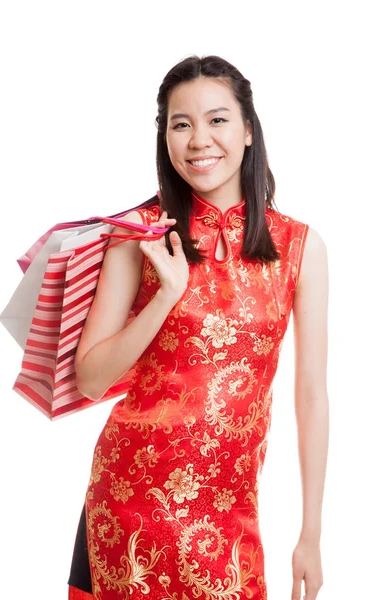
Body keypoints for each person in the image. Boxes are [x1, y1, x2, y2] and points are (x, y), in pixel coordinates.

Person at [67, 54, 329, 600]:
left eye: (217, 119)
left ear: (249, 129)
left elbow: (310, 396)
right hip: (129, 510)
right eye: (179, 124)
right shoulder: (138, 235)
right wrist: (166, 295)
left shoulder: (300, 248)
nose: (198, 140)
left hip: (230, 518)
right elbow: (90, 379)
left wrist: (311, 532)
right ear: (164, 137)